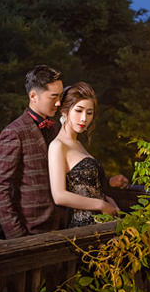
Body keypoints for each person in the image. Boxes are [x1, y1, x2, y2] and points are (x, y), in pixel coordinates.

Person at [0, 65, 64, 239]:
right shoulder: (13, 133)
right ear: (33, 96)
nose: (59, 103)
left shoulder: (56, 129)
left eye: (60, 97)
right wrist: (17, 236)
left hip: (60, 227)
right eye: (53, 97)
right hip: (30, 231)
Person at [47, 82, 120, 227]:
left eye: (89, 113)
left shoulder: (79, 144)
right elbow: (59, 196)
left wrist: (108, 200)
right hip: (83, 227)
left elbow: (88, 187)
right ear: (64, 111)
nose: (84, 118)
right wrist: (101, 204)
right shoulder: (57, 146)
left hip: (101, 223)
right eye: (79, 111)